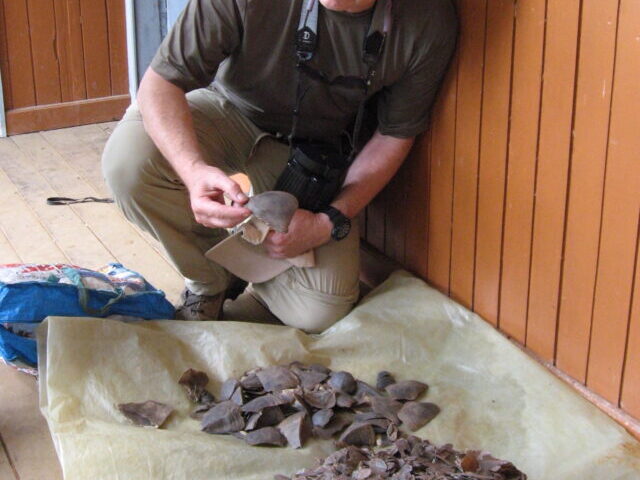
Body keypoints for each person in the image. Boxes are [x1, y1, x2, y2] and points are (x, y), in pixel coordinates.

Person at [102, 0, 457, 333]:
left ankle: (243, 259)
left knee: (320, 310)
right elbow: (160, 83)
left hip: (313, 152)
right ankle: (210, 280)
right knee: (129, 164)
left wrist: (327, 220)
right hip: (227, 109)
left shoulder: (429, 19)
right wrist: (192, 169)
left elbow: (393, 136)